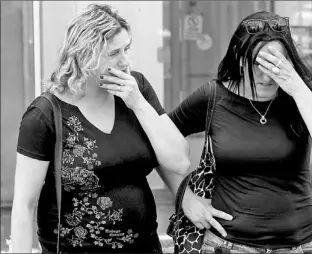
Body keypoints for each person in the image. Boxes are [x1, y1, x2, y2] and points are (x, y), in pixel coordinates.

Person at [161, 11, 312, 253]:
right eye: (257, 64)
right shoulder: (214, 96)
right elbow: (158, 141)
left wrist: (297, 88)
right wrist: (185, 197)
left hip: (301, 245)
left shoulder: (303, 93)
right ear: (239, 59)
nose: (266, 75)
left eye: (275, 64)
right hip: (228, 244)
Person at [11, 4, 190, 254]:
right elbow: (24, 205)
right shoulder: (45, 115)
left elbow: (180, 162)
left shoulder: (135, 89)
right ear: (85, 55)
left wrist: (138, 103)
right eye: (114, 53)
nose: (125, 61)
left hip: (145, 247)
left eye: (126, 49)